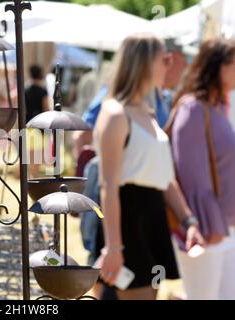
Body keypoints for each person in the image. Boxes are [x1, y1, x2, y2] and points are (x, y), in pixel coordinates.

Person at [95, 34, 204, 300]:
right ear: (144, 63)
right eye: (165, 58)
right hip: (126, 224)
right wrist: (113, 247)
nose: (170, 64)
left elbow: (164, 179)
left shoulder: (148, 112)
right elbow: (108, 185)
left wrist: (188, 220)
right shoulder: (116, 113)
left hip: (151, 218)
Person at [167, 38, 235, 300]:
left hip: (225, 227)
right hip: (207, 231)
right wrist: (206, 226)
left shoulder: (216, 107)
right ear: (218, 67)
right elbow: (192, 179)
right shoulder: (193, 109)